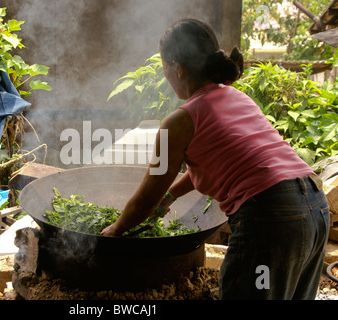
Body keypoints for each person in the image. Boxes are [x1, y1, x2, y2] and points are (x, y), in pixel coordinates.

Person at [100, 18, 330, 300]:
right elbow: (225, 163)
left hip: (270, 220)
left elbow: (147, 197)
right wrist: (171, 196)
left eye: (164, 70)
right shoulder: (237, 97)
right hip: (315, 207)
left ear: (177, 69)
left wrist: (115, 230)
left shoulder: (180, 120)